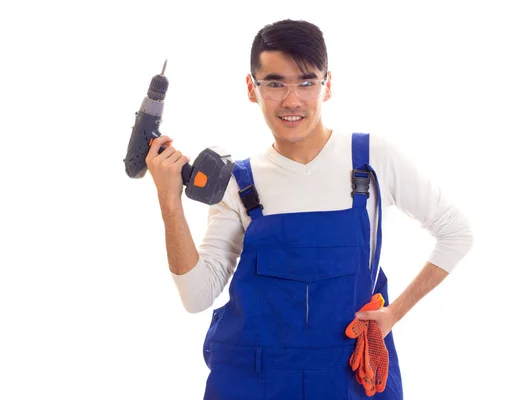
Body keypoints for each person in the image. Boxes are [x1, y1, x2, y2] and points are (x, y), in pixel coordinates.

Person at [145, 19, 473, 400]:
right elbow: (197, 297)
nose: (291, 100)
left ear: (327, 85)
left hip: (348, 378)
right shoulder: (238, 183)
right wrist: (170, 202)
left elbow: (456, 233)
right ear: (252, 89)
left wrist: (393, 314)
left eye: (306, 82)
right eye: (274, 83)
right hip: (254, 382)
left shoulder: (369, 161)